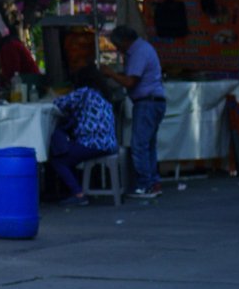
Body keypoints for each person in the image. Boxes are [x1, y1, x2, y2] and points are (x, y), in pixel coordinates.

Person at [49, 67, 119, 204]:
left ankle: (79, 194)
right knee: (69, 154)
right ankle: (75, 188)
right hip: (109, 143)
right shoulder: (103, 96)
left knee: (58, 159)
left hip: (92, 143)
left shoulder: (84, 93)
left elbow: (59, 103)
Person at [112, 25, 164, 198]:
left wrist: (110, 74)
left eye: (118, 46)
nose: (118, 50)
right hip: (152, 101)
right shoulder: (141, 49)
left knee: (140, 145)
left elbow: (130, 82)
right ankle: (153, 182)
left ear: (125, 41)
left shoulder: (139, 52)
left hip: (147, 103)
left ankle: (145, 184)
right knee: (148, 145)